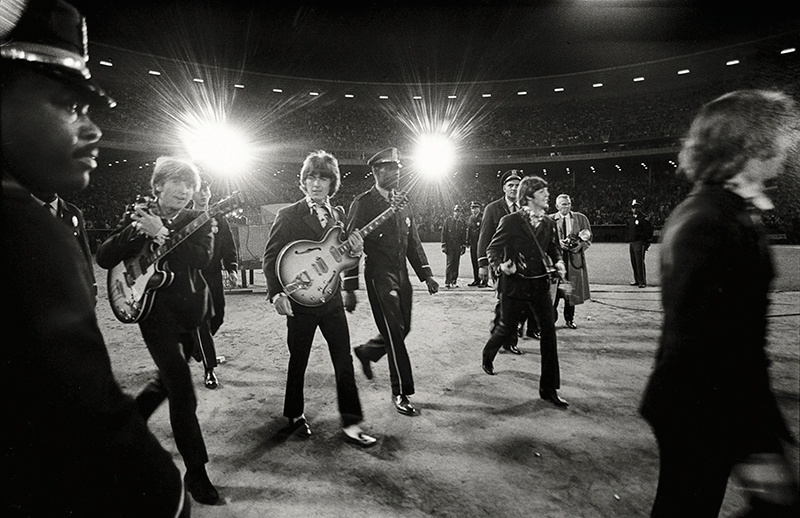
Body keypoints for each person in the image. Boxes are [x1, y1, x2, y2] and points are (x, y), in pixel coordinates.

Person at [1, 1, 187, 516]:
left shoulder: (60, 217)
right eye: (68, 104)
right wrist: (166, 494)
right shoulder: (24, 229)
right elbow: (84, 428)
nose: (93, 129)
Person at [640, 89, 800, 517]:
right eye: (783, 134)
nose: (789, 144)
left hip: (707, 402)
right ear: (752, 142)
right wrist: (757, 440)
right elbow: (707, 342)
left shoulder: (720, 209)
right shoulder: (709, 218)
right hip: (699, 405)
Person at [96, 157, 220, 505]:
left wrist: (162, 234)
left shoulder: (199, 219)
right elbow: (105, 257)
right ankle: (196, 474)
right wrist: (135, 231)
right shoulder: (137, 214)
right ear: (158, 187)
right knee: (182, 389)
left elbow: (202, 261)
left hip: (191, 313)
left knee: (165, 380)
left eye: (189, 185)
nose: (184, 190)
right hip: (154, 315)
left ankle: (127, 423)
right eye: (176, 183)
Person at [262, 150, 377, 447]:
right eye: (311, 177)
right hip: (300, 302)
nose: (316, 183)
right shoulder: (287, 215)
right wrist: (275, 292)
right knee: (298, 360)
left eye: (323, 178)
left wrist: (355, 249)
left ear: (331, 183)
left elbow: (344, 258)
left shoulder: (338, 215)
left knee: (343, 362)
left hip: (331, 301)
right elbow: (271, 256)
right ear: (303, 182)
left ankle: (352, 424)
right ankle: (295, 415)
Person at [343, 147, 439, 417]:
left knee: (403, 327)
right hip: (379, 274)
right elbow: (351, 246)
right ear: (376, 171)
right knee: (395, 333)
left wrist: (427, 274)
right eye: (390, 168)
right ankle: (401, 391)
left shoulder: (404, 201)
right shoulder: (363, 203)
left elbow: (413, 242)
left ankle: (367, 352)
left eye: (398, 168)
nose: (397, 172)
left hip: (401, 275)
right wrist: (349, 288)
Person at [480, 175, 569, 409]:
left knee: (548, 333)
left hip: (540, 285)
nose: (547, 196)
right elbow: (493, 248)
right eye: (542, 193)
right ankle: (489, 353)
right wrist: (500, 266)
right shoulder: (510, 221)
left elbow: (554, 248)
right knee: (505, 328)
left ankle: (549, 389)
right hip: (515, 284)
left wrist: (558, 262)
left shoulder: (549, 223)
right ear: (529, 196)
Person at [191, 176, 239, 389]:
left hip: (213, 275)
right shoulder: (184, 218)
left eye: (206, 190)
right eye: (199, 190)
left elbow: (228, 245)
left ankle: (198, 348)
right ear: (192, 192)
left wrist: (232, 268)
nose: (203, 194)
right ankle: (209, 368)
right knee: (202, 321)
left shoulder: (219, 217)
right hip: (193, 277)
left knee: (217, 315)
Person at [477, 169, 531, 354]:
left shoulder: (527, 208)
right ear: (504, 188)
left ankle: (504, 335)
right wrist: (483, 264)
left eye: (518, 185)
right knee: (506, 300)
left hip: (523, 265)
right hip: (501, 263)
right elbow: (484, 238)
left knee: (520, 303)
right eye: (511, 185)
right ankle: (503, 337)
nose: (514, 189)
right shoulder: (493, 208)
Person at [33, 191, 97, 303]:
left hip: (70, 287)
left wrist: (91, 285)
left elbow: (84, 250)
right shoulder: (20, 211)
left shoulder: (73, 211)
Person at [549, 194, 592, 329]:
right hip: (556, 262)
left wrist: (580, 246)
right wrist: (557, 244)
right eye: (563, 204)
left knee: (571, 292)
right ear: (557, 206)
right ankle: (550, 321)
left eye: (568, 204)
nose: (566, 207)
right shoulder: (549, 219)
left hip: (573, 261)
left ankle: (569, 319)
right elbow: (544, 239)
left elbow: (589, 237)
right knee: (553, 293)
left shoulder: (580, 218)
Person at [626, 199, 653, 288]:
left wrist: (648, 242)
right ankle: (637, 280)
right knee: (634, 262)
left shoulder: (643, 218)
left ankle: (642, 281)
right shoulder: (631, 218)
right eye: (634, 207)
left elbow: (649, 230)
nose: (635, 209)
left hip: (640, 242)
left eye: (637, 207)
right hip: (632, 242)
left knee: (639, 262)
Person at [441, 204, 467, 288]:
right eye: (456, 211)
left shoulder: (462, 222)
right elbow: (444, 233)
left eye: (459, 211)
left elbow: (463, 235)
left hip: (457, 245)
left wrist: (463, 245)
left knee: (456, 263)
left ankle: (454, 280)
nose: (457, 213)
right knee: (450, 263)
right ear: (453, 212)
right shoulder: (448, 221)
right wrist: (444, 245)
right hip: (450, 245)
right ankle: (447, 281)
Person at [466, 201, 485, 286]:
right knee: (474, 261)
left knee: (482, 262)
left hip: (481, 243)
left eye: (475, 208)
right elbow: (469, 230)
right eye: (472, 208)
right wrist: (467, 241)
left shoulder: (483, 217)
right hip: (473, 243)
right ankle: (476, 280)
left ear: (479, 208)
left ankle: (484, 281)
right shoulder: (471, 218)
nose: (473, 210)